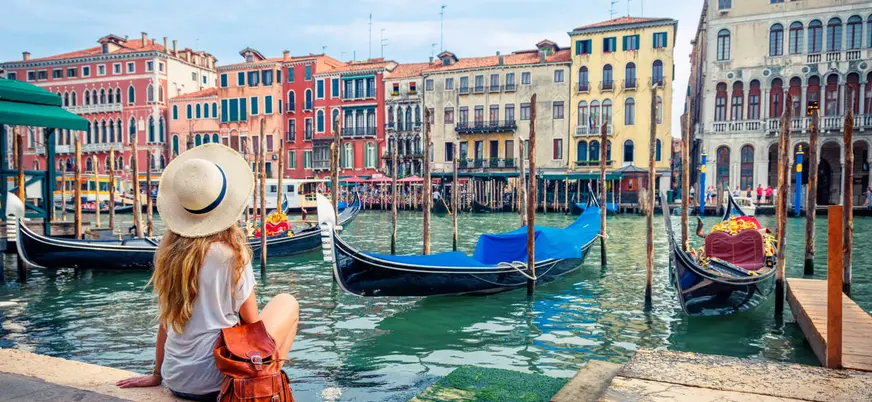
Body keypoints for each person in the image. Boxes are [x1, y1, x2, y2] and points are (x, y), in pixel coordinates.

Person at [116, 144, 299, 400]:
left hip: (177, 379)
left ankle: (260, 385)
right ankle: (259, 387)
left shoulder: (168, 254)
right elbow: (252, 323)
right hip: (219, 380)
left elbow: (165, 324)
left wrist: (157, 373)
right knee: (287, 303)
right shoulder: (233, 255)